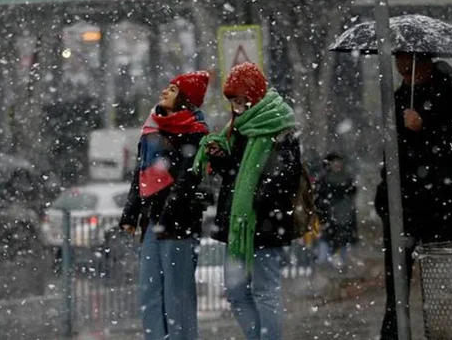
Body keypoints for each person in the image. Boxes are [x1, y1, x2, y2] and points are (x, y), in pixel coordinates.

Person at [193, 62, 301, 340]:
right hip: (239, 224)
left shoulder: (279, 126)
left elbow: (284, 177)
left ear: (254, 94)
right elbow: (235, 173)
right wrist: (219, 158)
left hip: (265, 222)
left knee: (265, 290)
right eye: (232, 101)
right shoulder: (239, 127)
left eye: (240, 100)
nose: (237, 107)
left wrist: (255, 198)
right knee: (236, 291)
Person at [376, 53, 452, 340]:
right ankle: (394, 333)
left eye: (409, 71)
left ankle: (444, 332)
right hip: (401, 202)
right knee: (396, 281)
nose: (404, 77)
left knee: (441, 279)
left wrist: (425, 128)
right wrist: (384, 194)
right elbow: (391, 152)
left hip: (439, 200)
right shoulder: (398, 99)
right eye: (400, 71)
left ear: (426, 64)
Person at [119, 71, 211, 340]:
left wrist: (168, 212)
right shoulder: (151, 128)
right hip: (151, 222)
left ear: (185, 99)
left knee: (177, 296)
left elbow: (188, 178)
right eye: (167, 86)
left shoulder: (195, 133)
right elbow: (140, 175)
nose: (165, 91)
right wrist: (130, 213)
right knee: (150, 292)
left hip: (178, 224)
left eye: (173, 89)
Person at [314, 152, 358, 268]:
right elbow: (319, 201)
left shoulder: (346, 179)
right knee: (325, 250)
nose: (337, 165)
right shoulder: (324, 180)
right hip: (330, 219)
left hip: (344, 218)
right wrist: (322, 219)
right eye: (334, 162)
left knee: (342, 250)